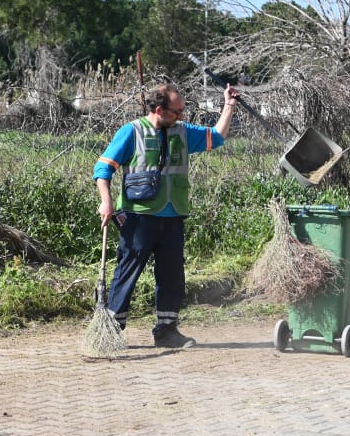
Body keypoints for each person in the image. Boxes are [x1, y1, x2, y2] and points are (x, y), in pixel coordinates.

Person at [93, 82, 241, 349]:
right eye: (177, 111)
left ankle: (167, 331)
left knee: (172, 275)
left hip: (173, 216)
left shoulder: (184, 132)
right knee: (127, 272)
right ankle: (111, 331)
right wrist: (106, 203)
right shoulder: (131, 132)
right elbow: (103, 170)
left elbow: (216, 137)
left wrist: (228, 105)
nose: (182, 116)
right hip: (138, 216)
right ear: (160, 110)